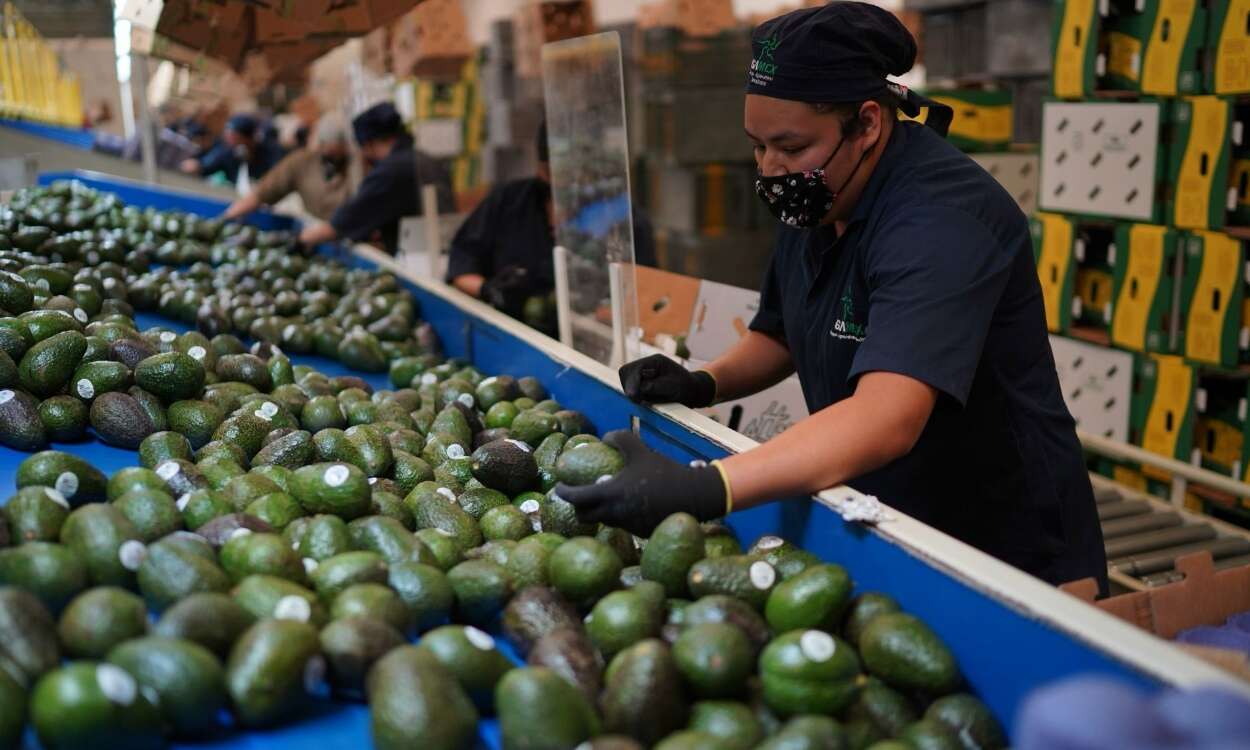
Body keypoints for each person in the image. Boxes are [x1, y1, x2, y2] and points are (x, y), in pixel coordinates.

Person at [556, 2, 1107, 590]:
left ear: (867, 123)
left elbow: (885, 417)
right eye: (758, 145)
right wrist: (702, 382)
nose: (770, 169)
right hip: (888, 511)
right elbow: (783, 331)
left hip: (1000, 547)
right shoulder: (822, 193)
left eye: (791, 148)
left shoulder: (943, 221)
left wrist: (710, 485)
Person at [446, 121, 656, 323]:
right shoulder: (508, 201)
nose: (569, 184)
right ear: (542, 170)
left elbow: (647, 295)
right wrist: (488, 290)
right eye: (557, 173)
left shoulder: (621, 219)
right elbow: (461, 262)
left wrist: (598, 316)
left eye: (579, 174)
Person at [298, 102, 454, 255]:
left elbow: (348, 219)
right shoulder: (428, 160)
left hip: (419, 261)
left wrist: (303, 239)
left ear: (370, 144)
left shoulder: (389, 171)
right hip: (445, 250)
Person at [221, 115, 354, 222]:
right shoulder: (301, 162)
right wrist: (226, 217)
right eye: (328, 151)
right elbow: (264, 192)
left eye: (337, 152)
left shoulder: (356, 167)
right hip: (313, 226)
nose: (332, 156)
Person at [180, 114, 286, 183]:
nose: (230, 142)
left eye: (235, 139)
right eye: (228, 138)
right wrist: (197, 166)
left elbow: (278, 178)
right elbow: (208, 167)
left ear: (250, 138)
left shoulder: (273, 152)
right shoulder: (228, 153)